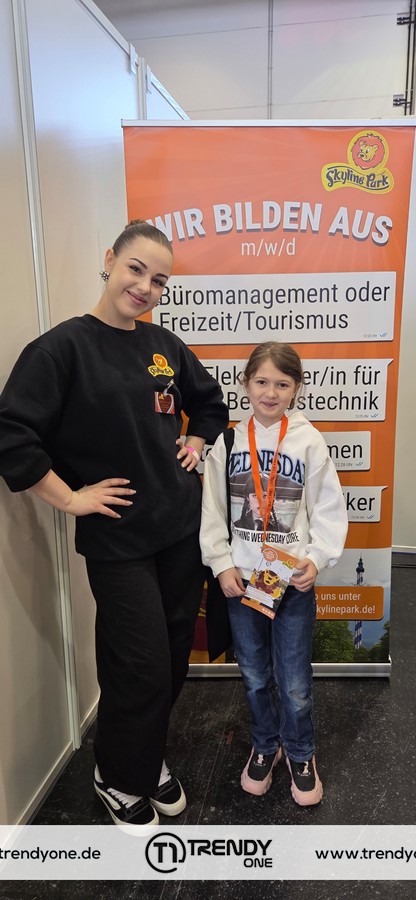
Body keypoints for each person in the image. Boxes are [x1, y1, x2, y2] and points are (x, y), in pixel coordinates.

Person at [0, 219, 228, 831]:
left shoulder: (163, 346)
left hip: (179, 531)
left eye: (160, 280)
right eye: (136, 269)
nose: (145, 287)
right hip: (118, 541)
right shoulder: (61, 350)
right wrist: (71, 499)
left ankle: (144, 756)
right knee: (140, 663)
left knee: (174, 657)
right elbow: (12, 436)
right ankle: (117, 775)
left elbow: (210, 405)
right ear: (110, 260)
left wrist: (197, 442)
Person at [200, 341, 347, 806]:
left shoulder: (308, 441)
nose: (270, 392)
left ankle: (301, 752)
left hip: (291, 582)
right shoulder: (227, 443)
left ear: (296, 388)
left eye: (282, 384)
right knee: (254, 675)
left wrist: (317, 558)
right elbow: (212, 510)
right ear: (245, 384)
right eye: (261, 381)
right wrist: (221, 564)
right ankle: (266, 745)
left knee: (295, 681)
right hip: (242, 582)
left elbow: (328, 507)